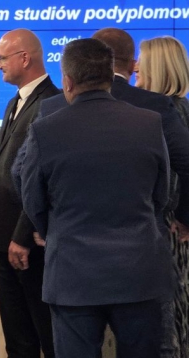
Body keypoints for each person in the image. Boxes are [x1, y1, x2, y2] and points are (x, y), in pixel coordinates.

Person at [21, 38, 174, 358]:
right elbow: (161, 195)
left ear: (67, 81)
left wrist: (54, 232)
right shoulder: (149, 123)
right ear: (111, 76)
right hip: (138, 272)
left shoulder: (45, 130)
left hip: (72, 274)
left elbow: (32, 199)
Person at [0, 29, 60, 358]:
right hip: (5, 242)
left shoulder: (52, 104)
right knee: (17, 341)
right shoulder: (15, 102)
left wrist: (23, 236)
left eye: (2, 58)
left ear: (24, 58)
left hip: (30, 247)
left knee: (47, 337)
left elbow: (42, 180)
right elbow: (3, 169)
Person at [135, 35, 189, 358]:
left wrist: (183, 217)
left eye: (141, 61)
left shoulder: (166, 115)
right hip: (174, 228)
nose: (135, 68)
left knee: (169, 319)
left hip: (169, 230)